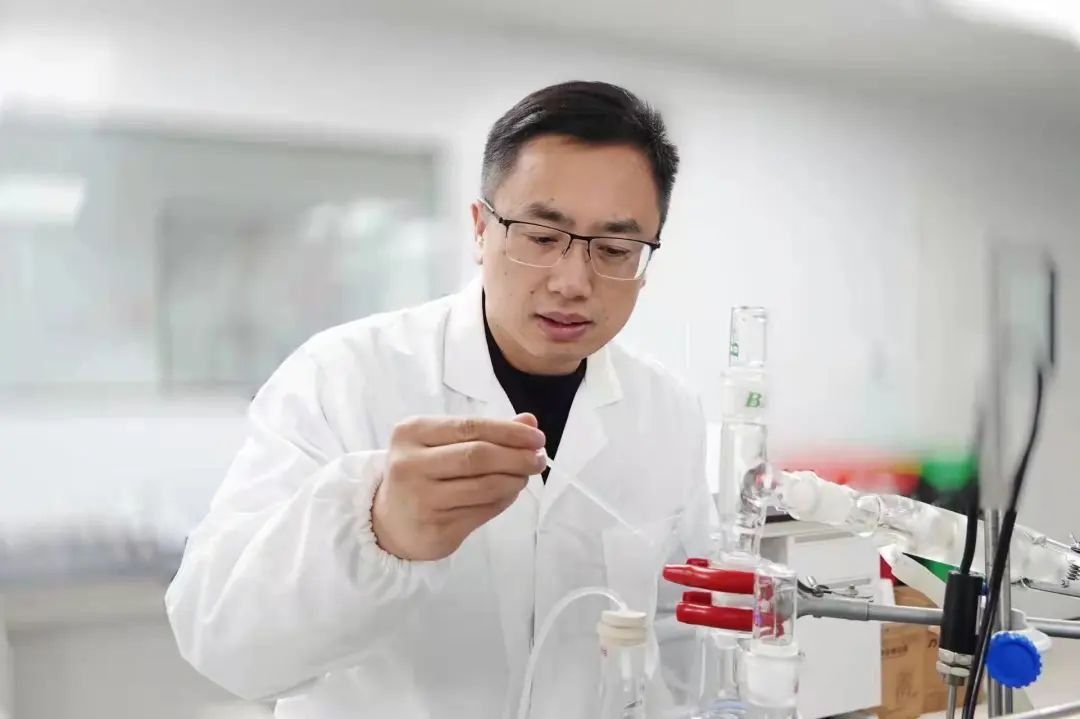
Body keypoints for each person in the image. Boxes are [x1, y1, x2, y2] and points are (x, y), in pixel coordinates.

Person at [166, 80, 713, 719]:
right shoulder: (342, 378)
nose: (573, 281)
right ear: (481, 229)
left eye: (616, 250)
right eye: (541, 236)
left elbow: (681, 634)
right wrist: (380, 530)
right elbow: (221, 642)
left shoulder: (667, 413)